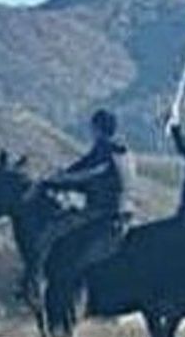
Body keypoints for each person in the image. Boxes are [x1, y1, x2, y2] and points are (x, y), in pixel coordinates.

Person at [30, 108, 137, 284]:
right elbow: (83, 167)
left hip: (104, 211)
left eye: (92, 128)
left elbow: (85, 174)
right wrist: (63, 176)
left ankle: (39, 277)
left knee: (52, 229)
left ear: (97, 128)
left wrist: (53, 182)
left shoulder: (104, 151)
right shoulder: (125, 152)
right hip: (127, 211)